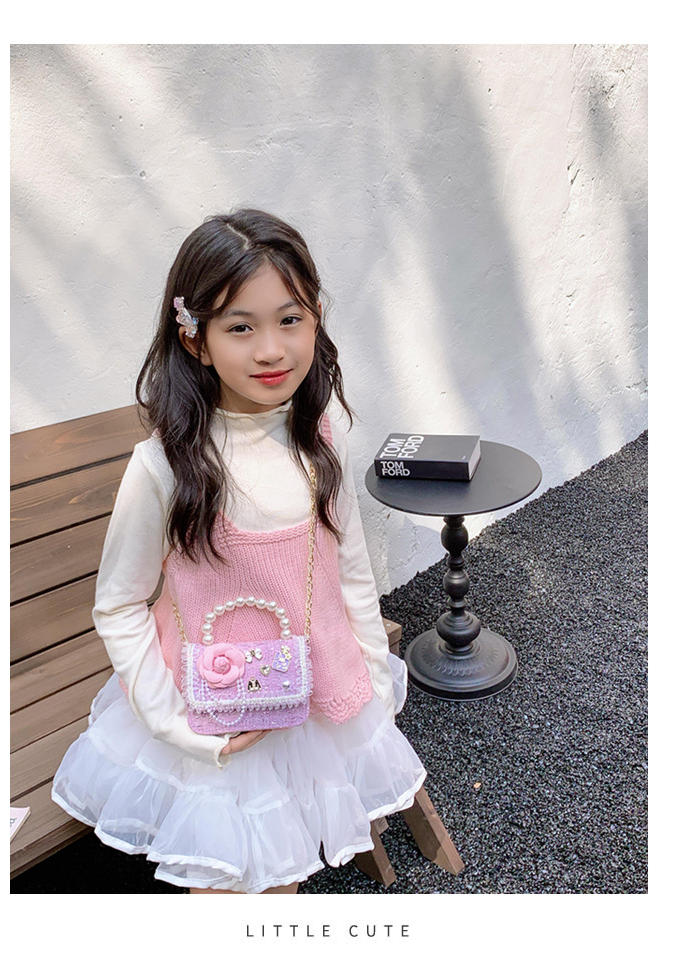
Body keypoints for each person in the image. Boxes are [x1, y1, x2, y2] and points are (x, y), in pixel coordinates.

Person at [51, 209, 426, 894]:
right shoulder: (167, 465)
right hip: (218, 720)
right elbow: (119, 605)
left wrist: (373, 680)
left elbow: (349, 570)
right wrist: (177, 728)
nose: (271, 350)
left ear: (316, 319)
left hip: (314, 702)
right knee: (226, 885)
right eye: (240, 327)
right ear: (195, 340)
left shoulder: (322, 438)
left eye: (290, 319)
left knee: (285, 872)